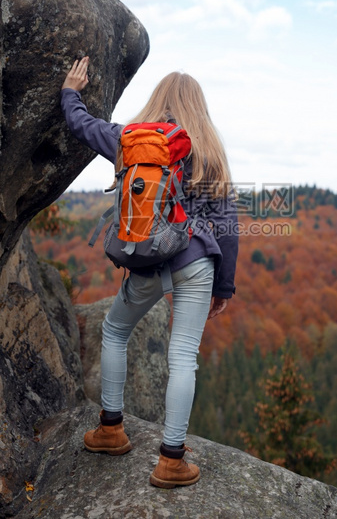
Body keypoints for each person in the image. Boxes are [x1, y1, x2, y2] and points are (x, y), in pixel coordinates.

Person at [61, 57, 238, 489]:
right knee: (183, 357)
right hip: (195, 262)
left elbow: (83, 126)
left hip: (145, 261)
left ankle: (110, 429)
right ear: (198, 106)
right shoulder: (209, 151)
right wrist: (224, 287)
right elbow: (228, 226)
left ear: (158, 100)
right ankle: (171, 460)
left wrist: (70, 94)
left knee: (115, 331)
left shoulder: (130, 139)